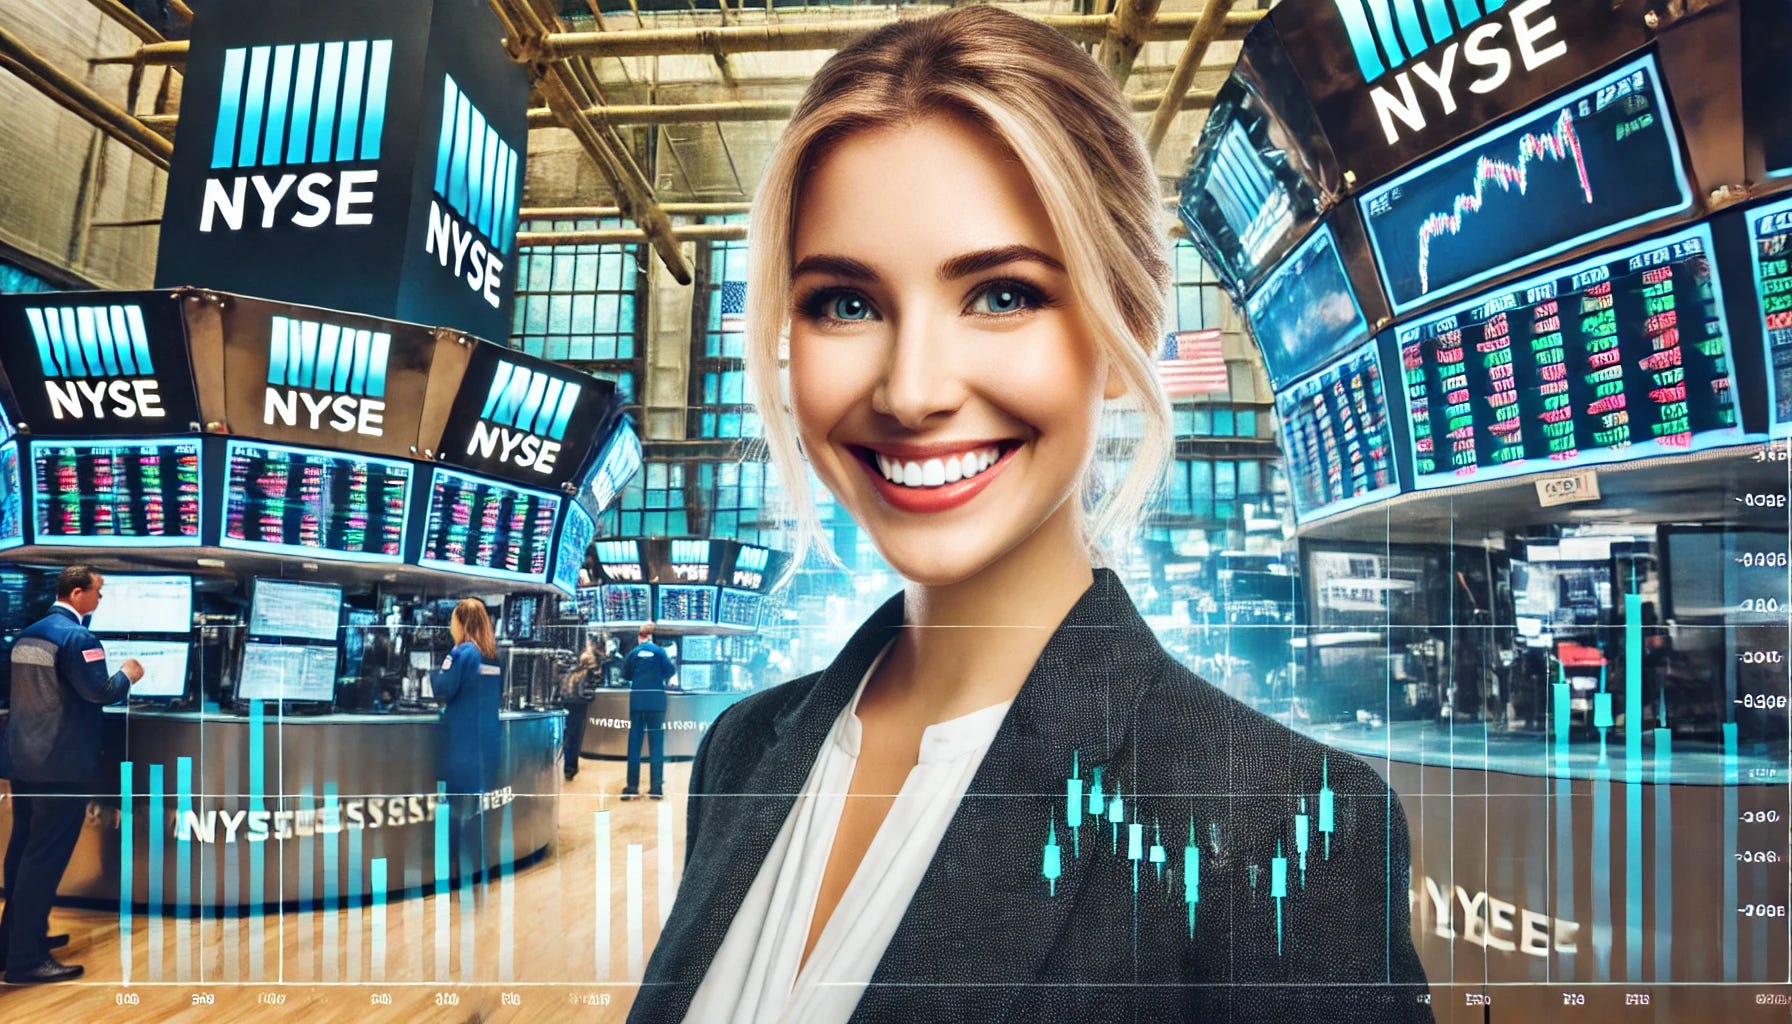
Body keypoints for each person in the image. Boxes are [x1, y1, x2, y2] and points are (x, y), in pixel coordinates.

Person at [632, 9, 1431, 1023]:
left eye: (1002, 294)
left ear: (1124, 329)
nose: (912, 390)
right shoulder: (742, 752)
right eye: (845, 303)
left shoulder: (1282, 828)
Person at [0, 566, 143, 985]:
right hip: (60, 766)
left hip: (23, 761)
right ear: (77, 593)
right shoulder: (79, 637)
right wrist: (129, 674)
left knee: (23, 852)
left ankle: (14, 942)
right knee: (43, 860)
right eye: (98, 592)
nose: (100, 600)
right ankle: (26, 960)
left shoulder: (30, 633)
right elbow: (100, 691)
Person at [434, 598, 502, 883]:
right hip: (486, 743)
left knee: (453, 807)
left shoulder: (461, 653)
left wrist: (435, 673)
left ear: (460, 623)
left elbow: (443, 688)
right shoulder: (490, 656)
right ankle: (477, 866)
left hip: (461, 743)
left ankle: (450, 870)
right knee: (476, 807)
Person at [620, 623, 677, 801]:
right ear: (652, 636)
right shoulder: (661, 653)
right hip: (656, 703)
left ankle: (632, 787)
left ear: (640, 636)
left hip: (638, 704)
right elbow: (671, 671)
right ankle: (656, 789)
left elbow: (626, 675)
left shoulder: (634, 653)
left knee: (634, 746)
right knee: (656, 746)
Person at [560, 641, 601, 781]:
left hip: (564, 698)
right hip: (579, 700)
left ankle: (563, 763)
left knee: (565, 733)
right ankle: (570, 767)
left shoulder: (565, 659)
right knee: (575, 735)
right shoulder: (590, 662)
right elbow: (597, 679)